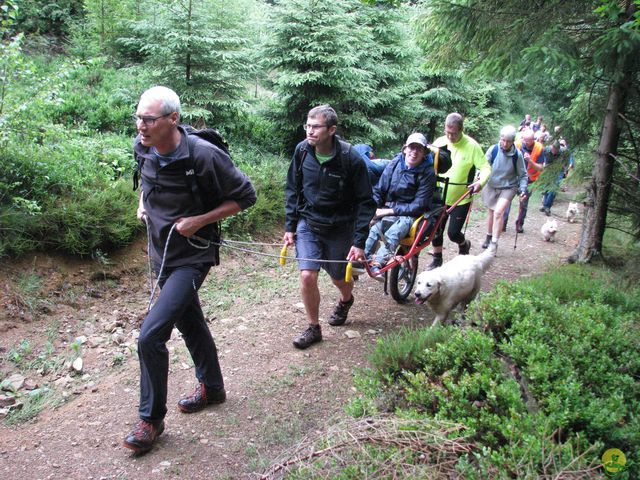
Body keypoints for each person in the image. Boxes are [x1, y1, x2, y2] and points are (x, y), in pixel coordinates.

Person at [124, 86, 257, 454]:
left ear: (172, 119)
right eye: (138, 117)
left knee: (150, 335)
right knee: (190, 321)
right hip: (160, 255)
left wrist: (200, 220)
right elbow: (145, 180)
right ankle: (212, 387)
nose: (141, 125)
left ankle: (151, 420)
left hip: (193, 255)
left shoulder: (203, 155)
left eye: (149, 119)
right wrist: (143, 204)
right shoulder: (144, 146)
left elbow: (246, 196)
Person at [284, 105, 375, 349]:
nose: (309, 131)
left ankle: (346, 300)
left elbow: (366, 202)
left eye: (316, 126)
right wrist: (290, 226)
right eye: (308, 125)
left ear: (331, 129)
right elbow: (293, 189)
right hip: (308, 223)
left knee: (338, 279)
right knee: (307, 274)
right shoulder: (302, 151)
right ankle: (313, 328)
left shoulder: (350, 158)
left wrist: (358, 242)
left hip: (339, 227)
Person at [364, 133, 437, 277]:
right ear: (405, 149)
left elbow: (419, 205)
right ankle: (362, 258)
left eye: (419, 149)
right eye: (412, 147)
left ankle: (378, 263)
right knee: (374, 229)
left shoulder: (428, 173)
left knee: (394, 232)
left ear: (424, 153)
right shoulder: (395, 163)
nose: (414, 152)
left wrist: (388, 211)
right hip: (388, 209)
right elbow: (379, 189)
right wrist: (373, 209)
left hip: (410, 215)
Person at [428, 113, 491, 269]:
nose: (450, 136)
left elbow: (485, 167)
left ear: (461, 129)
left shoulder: (472, 145)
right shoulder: (439, 142)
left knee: (453, 233)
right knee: (435, 230)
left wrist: (480, 182)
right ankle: (437, 259)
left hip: (461, 198)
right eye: (447, 132)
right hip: (439, 196)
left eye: (454, 133)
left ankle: (463, 244)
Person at [480, 126, 527, 252]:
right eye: (503, 140)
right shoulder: (493, 149)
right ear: (500, 138)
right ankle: (489, 237)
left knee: (498, 212)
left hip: (509, 187)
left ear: (513, 141)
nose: (505, 143)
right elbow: (484, 165)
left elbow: (522, 175)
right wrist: (479, 176)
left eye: (508, 141)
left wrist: (523, 189)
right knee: (491, 212)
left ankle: (494, 243)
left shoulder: (517, 155)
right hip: (492, 184)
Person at [503, 128, 545, 233]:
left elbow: (540, 168)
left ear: (533, 140)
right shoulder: (517, 145)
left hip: (529, 179)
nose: (525, 142)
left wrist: (529, 160)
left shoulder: (539, 148)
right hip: (514, 177)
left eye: (528, 140)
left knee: (524, 203)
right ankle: (503, 223)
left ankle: (519, 224)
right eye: (524, 140)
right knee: (507, 200)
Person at [540, 140, 572, 215]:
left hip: (559, 170)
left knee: (554, 187)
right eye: (553, 149)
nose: (554, 151)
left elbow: (568, 158)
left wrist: (565, 169)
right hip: (548, 169)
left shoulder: (563, 151)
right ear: (551, 147)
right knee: (546, 187)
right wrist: (543, 162)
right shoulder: (546, 149)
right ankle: (545, 205)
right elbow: (541, 156)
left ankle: (547, 207)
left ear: (559, 149)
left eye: (556, 150)